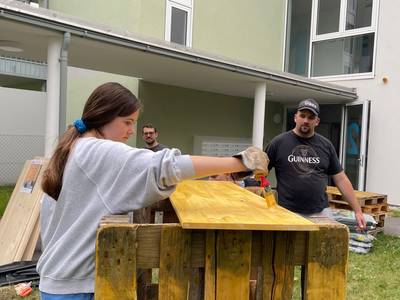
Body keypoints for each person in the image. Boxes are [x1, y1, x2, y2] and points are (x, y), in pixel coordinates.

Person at [37, 82, 268, 299]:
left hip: (58, 279)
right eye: (127, 122)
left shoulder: (73, 149)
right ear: (104, 116)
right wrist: (240, 162)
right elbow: (167, 167)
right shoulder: (97, 151)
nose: (131, 130)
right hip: (76, 287)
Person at [265, 98, 366, 230]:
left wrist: (357, 210)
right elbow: (260, 173)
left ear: (317, 121)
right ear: (296, 117)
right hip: (287, 211)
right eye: (302, 116)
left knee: (324, 249)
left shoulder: (325, 145)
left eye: (311, 117)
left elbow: (341, 179)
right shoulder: (278, 143)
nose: (306, 120)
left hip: (320, 213)